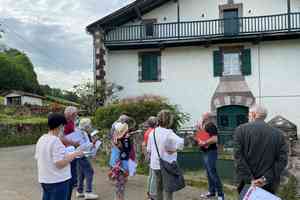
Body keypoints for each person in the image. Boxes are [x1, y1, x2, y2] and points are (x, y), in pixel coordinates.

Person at [234, 104, 288, 195]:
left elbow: (238, 157)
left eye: (249, 115)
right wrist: (264, 179)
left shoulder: (240, 130)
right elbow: (282, 161)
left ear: (254, 114)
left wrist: (250, 179)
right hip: (268, 184)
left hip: (247, 184)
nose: (248, 117)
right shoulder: (279, 134)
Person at [35, 113, 83, 200]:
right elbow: (59, 163)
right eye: (63, 126)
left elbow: (41, 157)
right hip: (58, 180)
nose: (64, 129)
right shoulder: (55, 141)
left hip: (45, 179)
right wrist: (75, 154)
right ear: (60, 126)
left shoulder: (42, 139)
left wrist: (67, 154)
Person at [147, 110, 184, 200]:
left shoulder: (153, 132)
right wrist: (174, 150)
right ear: (169, 121)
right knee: (168, 189)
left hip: (155, 164)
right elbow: (181, 143)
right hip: (167, 164)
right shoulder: (169, 133)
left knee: (158, 188)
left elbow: (149, 149)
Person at [198, 112, 224, 200]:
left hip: (211, 152)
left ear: (207, 117)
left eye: (203, 115)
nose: (201, 117)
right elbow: (203, 137)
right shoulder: (204, 126)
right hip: (206, 152)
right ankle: (211, 192)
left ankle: (220, 195)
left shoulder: (211, 125)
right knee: (209, 173)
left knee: (213, 173)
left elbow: (215, 139)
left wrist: (204, 142)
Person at [75, 118, 100, 200]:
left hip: (79, 155)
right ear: (86, 126)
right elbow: (83, 145)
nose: (90, 126)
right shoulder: (81, 133)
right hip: (82, 155)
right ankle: (88, 192)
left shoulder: (80, 132)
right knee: (89, 172)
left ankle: (79, 191)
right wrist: (93, 143)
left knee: (81, 174)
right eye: (89, 125)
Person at [109, 122, 132, 200]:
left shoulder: (115, 138)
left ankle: (118, 198)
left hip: (116, 165)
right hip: (120, 166)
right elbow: (127, 151)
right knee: (120, 185)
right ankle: (120, 198)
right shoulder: (121, 141)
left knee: (119, 185)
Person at [62, 106, 80, 200]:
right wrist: (74, 142)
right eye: (76, 114)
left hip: (72, 150)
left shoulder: (72, 122)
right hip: (67, 152)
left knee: (72, 177)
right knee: (69, 178)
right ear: (71, 114)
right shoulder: (64, 123)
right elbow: (61, 138)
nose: (76, 116)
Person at [142, 116, 158, 200]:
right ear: (155, 123)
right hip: (153, 155)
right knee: (154, 176)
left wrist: (145, 156)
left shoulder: (147, 132)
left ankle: (149, 192)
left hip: (149, 154)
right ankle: (152, 195)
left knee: (150, 175)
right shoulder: (154, 132)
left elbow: (144, 145)